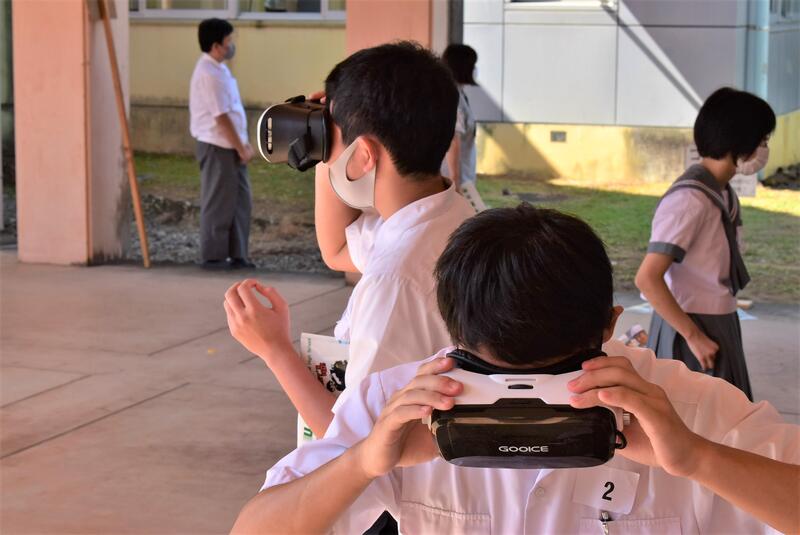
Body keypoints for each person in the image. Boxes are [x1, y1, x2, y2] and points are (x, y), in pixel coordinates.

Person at [231, 205, 799, 534]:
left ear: (609, 328)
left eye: (558, 377)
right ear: (454, 337)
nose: (526, 400)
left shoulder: (686, 407)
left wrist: (698, 458)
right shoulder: (400, 406)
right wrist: (362, 462)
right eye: (492, 376)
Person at [224, 42, 474, 531]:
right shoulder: (446, 214)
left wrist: (274, 350)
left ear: (363, 156)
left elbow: (360, 445)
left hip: (397, 511)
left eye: (329, 139)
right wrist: (328, 148)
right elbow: (338, 247)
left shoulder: (395, 281)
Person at [635, 87, 776, 400]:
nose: (764, 149)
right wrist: (694, 336)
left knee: (725, 417)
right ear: (741, 141)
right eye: (763, 140)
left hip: (718, 321)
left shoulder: (721, 193)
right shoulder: (689, 199)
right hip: (691, 327)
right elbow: (647, 278)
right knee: (697, 418)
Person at [189, 18, 255, 270]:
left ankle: (238, 254)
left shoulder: (219, 69)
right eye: (228, 41)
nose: (231, 45)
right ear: (216, 46)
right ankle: (213, 257)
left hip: (230, 145)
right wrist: (241, 147)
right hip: (217, 145)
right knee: (218, 202)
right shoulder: (208, 74)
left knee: (240, 201)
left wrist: (242, 144)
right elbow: (221, 117)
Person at [440, 44, 478, 190]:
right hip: (456, 181)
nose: (475, 69)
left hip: (463, 178)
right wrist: (455, 181)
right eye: (473, 65)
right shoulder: (452, 96)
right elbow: (453, 139)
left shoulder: (458, 93)